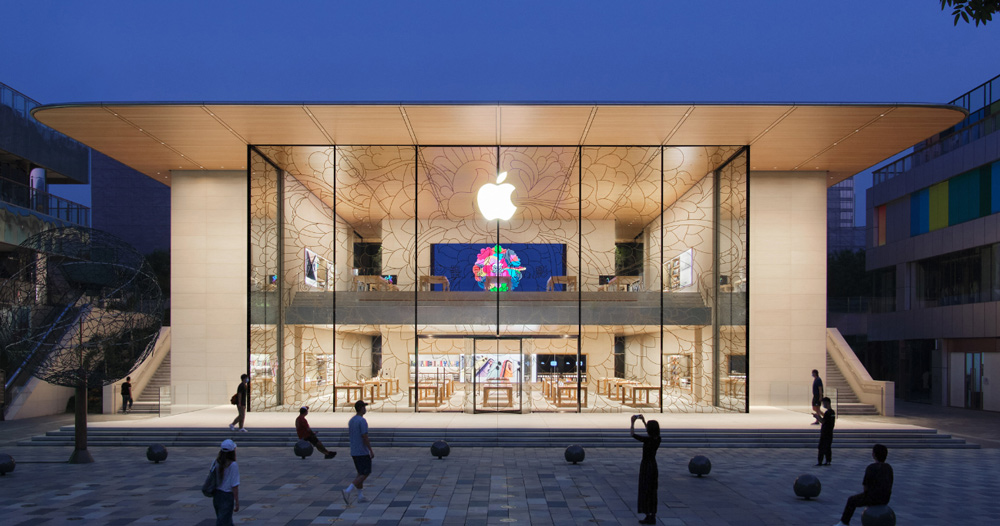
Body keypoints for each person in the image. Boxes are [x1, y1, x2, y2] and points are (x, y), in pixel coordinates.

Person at [833, 443, 893, 526]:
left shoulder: (871, 467)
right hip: (885, 498)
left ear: (874, 455)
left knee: (851, 500)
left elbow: (866, 486)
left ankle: (843, 523)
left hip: (872, 497)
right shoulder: (889, 467)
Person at [630, 414, 661, 525]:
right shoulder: (657, 439)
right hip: (653, 465)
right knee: (653, 490)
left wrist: (633, 422)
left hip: (646, 466)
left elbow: (632, 434)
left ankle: (648, 515)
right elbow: (651, 433)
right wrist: (644, 422)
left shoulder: (647, 440)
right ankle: (652, 515)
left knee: (646, 490)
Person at [342, 399, 374, 505]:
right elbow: (364, 436)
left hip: (354, 450)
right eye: (364, 407)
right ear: (360, 408)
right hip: (362, 451)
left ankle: (360, 496)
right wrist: (370, 449)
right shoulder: (362, 421)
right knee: (365, 472)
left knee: (360, 473)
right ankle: (348, 490)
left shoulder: (352, 420)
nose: (365, 409)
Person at [211, 439, 240, 526]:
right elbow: (234, 485)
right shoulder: (233, 465)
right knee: (224, 521)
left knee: (223, 519)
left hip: (217, 494)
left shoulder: (215, 462)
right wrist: (237, 502)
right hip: (227, 495)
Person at [817, 396, 835, 466]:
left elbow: (823, 421)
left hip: (825, 432)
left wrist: (817, 417)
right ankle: (828, 461)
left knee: (822, 447)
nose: (823, 404)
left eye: (823, 403)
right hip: (829, 432)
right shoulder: (832, 412)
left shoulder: (828, 412)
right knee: (827, 447)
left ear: (827, 403)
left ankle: (820, 461)